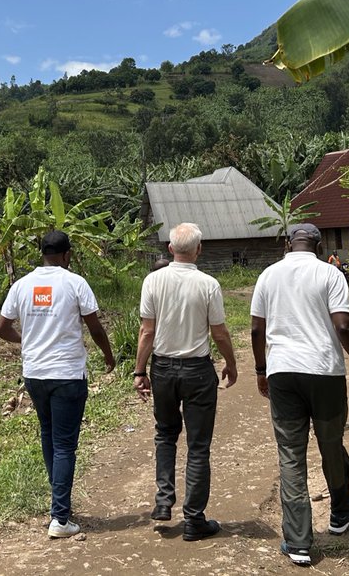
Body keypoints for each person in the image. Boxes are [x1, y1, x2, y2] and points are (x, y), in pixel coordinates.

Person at [249, 222, 349, 567]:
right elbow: (344, 325)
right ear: (318, 246)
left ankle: (298, 541)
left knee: (291, 453)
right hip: (325, 372)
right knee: (331, 443)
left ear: (288, 244)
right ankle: (340, 513)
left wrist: (262, 370)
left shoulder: (268, 276)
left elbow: (257, 328)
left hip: (284, 373)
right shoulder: (330, 275)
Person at [0, 230, 117, 539]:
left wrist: (28, 341)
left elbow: (0, 328)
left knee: (49, 434)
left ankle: (59, 505)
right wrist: (109, 356)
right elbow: (95, 327)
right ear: (67, 255)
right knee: (64, 444)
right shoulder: (75, 283)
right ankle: (60, 517)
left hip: (35, 373)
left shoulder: (21, 285)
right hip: (66, 374)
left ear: (42, 253)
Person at [133, 222, 238, 541]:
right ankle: (194, 520)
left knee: (165, 435)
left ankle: (164, 501)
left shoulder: (153, 281)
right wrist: (231, 363)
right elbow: (218, 331)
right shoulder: (208, 284)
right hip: (197, 371)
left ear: (170, 248)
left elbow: (147, 331)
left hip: (163, 369)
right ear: (199, 250)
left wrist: (140, 371)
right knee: (198, 445)